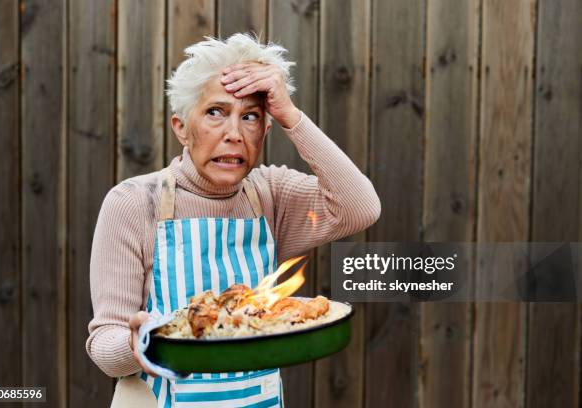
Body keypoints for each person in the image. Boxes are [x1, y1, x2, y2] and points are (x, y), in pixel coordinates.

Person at [87, 32, 381, 408]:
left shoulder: (271, 194)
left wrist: (291, 114)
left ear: (266, 129)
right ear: (181, 127)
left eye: (250, 117)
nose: (234, 135)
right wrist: (136, 342)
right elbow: (104, 346)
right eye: (215, 112)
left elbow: (361, 207)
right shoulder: (133, 204)